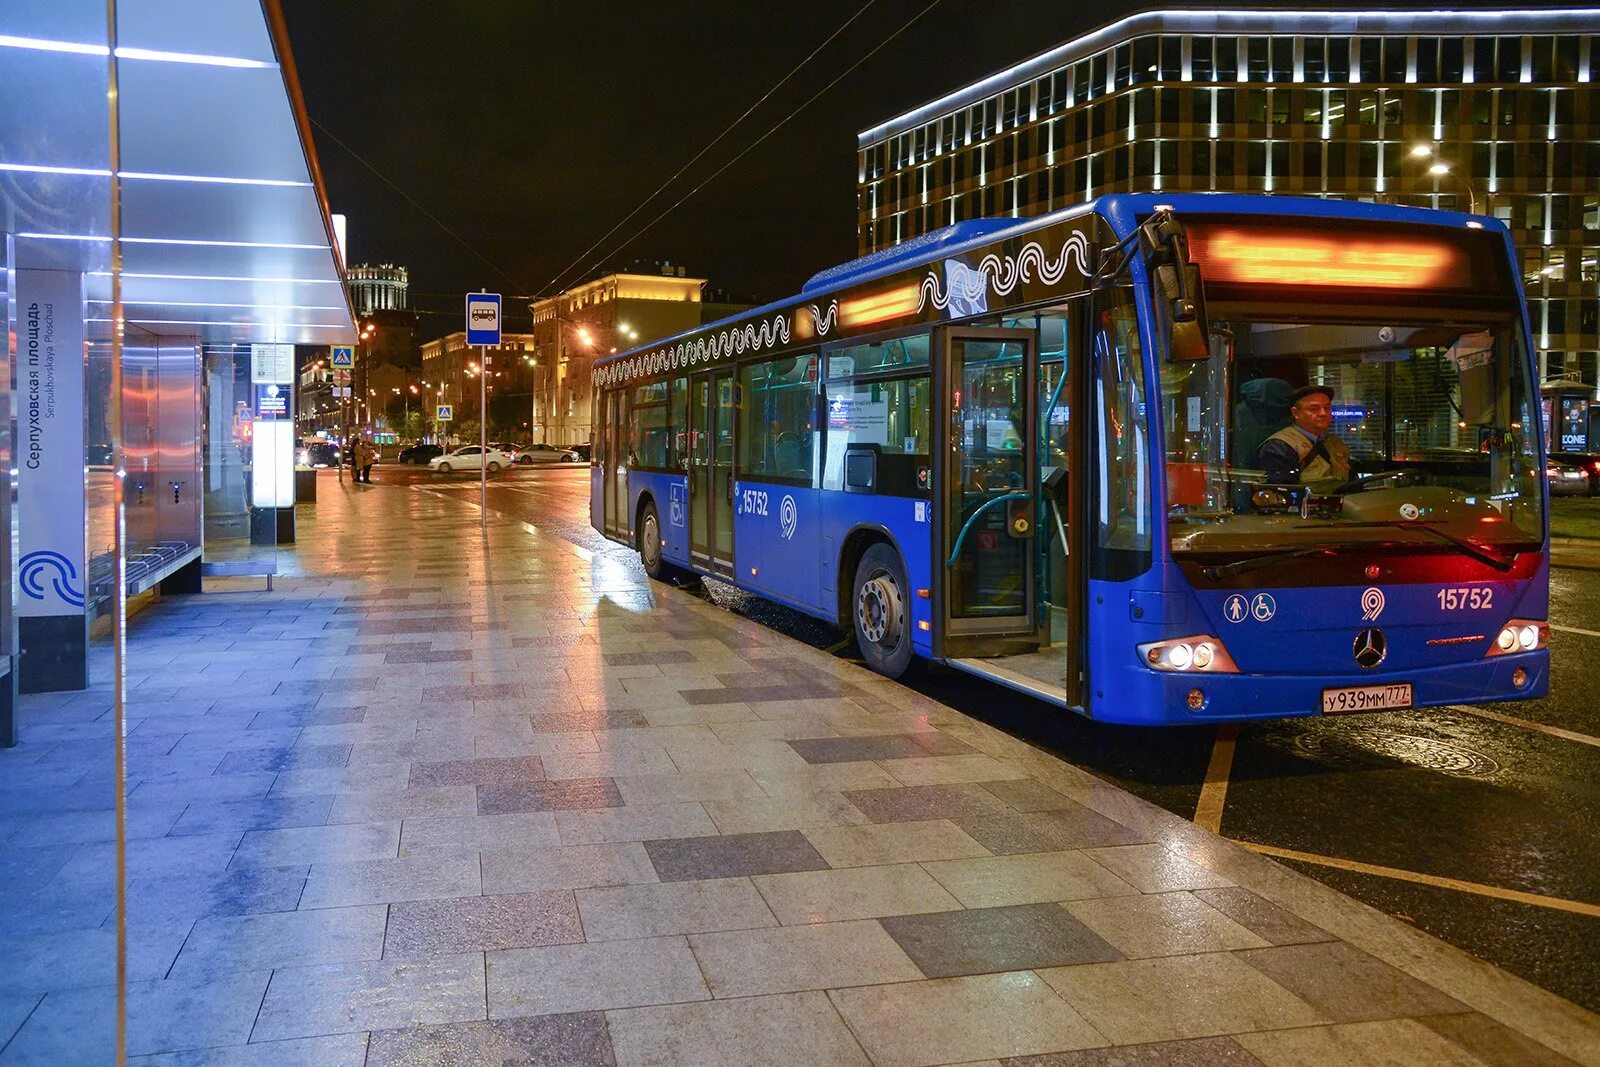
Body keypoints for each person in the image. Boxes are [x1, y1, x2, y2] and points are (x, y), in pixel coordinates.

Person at [1255, 384, 1352, 484]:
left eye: (1327, 408)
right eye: (1314, 409)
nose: (1323, 413)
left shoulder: (1335, 443)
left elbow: (1352, 482)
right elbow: (1281, 494)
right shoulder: (1278, 447)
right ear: (1295, 413)